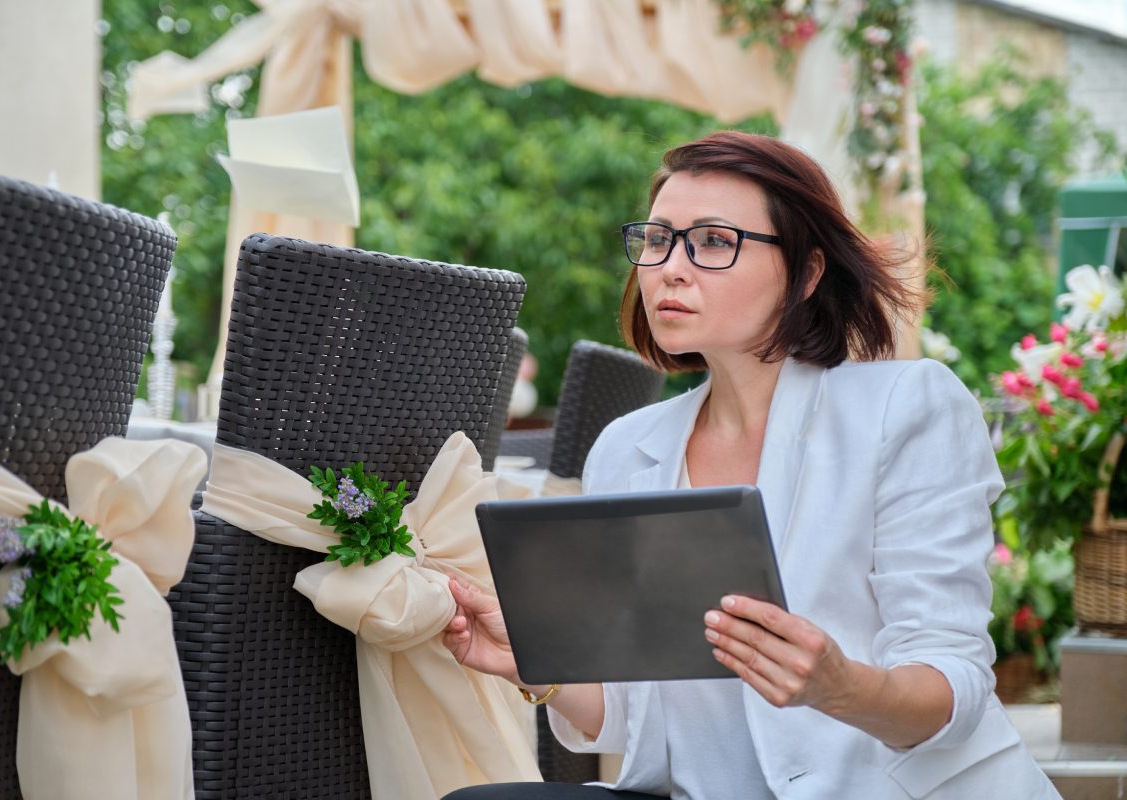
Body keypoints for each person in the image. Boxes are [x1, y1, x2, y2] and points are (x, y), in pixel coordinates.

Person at [441, 131, 1060, 799]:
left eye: (713, 242)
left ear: (805, 272)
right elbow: (637, 718)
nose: (670, 268)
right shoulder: (627, 447)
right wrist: (541, 665)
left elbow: (952, 687)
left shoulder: (905, 407)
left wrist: (843, 686)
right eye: (656, 240)